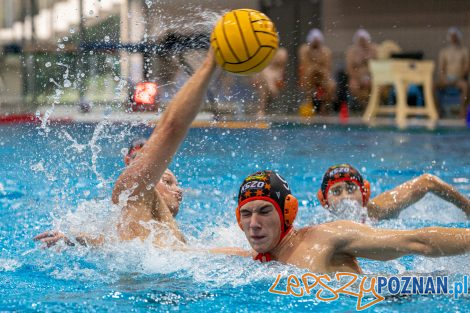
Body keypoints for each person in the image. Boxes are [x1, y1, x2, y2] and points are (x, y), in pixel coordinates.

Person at [35, 50, 218, 248]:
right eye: (167, 181)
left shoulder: (159, 232)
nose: (178, 190)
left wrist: (76, 240)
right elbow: (171, 128)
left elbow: (113, 244)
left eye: (175, 183)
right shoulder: (132, 189)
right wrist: (211, 64)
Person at [236, 170, 470, 273]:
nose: (254, 223)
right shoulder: (257, 257)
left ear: (288, 212)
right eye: (246, 214)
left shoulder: (327, 236)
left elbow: (417, 242)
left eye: (265, 211)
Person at [316, 164, 470, 221]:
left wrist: (467, 207)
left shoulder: (382, 209)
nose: (346, 197)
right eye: (336, 191)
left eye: (351, 189)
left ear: (364, 193)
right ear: (325, 202)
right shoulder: (320, 228)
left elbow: (428, 181)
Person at [298, 28, 336, 114]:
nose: (315, 45)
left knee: (332, 85)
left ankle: (324, 106)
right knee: (309, 74)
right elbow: (306, 67)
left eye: (317, 43)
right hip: (309, 77)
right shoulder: (304, 50)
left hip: (322, 77)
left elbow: (327, 70)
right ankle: (309, 104)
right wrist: (317, 65)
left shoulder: (326, 52)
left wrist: (317, 66)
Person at [437, 27, 469, 117]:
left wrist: (459, 78)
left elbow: (466, 68)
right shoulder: (444, 52)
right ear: (449, 38)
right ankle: (438, 110)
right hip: (447, 79)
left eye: (455, 36)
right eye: (452, 36)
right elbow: (441, 68)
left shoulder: (464, 51)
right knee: (432, 87)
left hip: (459, 79)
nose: (453, 38)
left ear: (459, 37)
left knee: (466, 87)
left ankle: (462, 110)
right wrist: (444, 78)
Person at [345, 28, 378, 110]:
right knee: (354, 86)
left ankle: (372, 105)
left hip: (372, 75)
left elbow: (378, 66)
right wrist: (359, 78)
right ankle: (364, 104)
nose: (362, 43)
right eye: (360, 40)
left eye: (364, 40)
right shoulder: (351, 51)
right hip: (356, 77)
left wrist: (369, 77)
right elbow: (349, 69)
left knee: (377, 86)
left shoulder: (374, 50)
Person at [252, 47, 288, 117]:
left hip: (277, 81)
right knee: (263, 80)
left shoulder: (281, 52)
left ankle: (261, 110)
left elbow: (281, 62)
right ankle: (262, 110)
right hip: (265, 81)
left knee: (264, 76)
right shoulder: (262, 51)